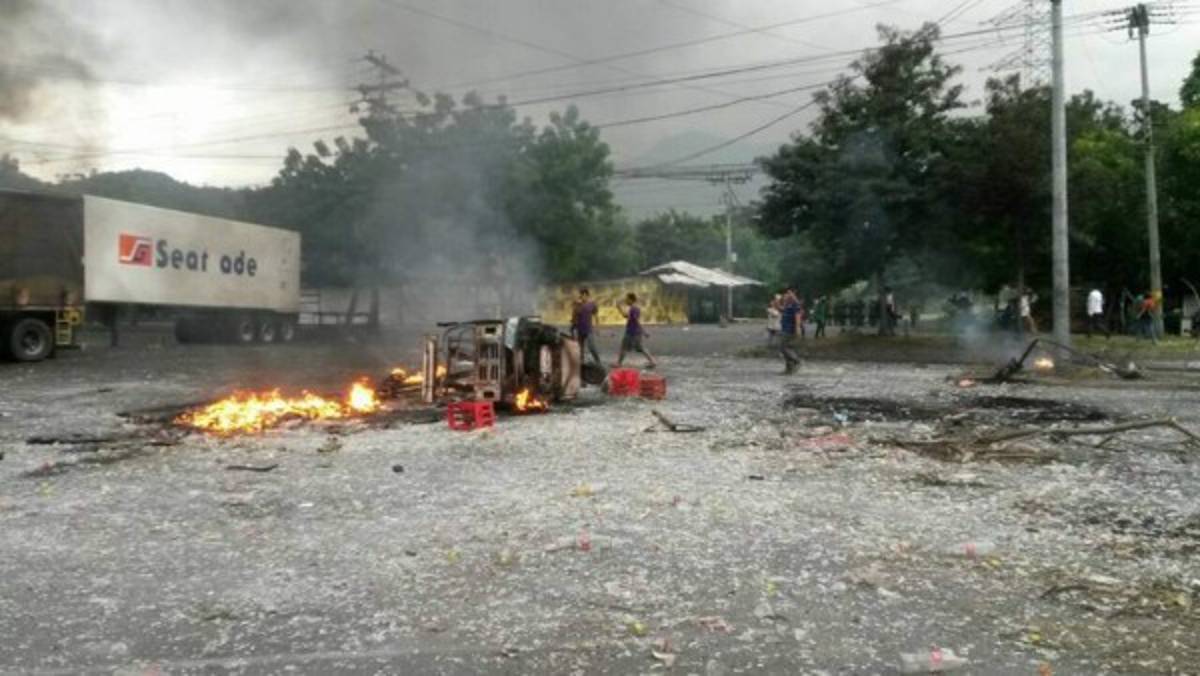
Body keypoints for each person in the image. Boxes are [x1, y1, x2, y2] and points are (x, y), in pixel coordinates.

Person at [617, 292, 657, 369]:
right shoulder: (634, 308)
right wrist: (619, 308)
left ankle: (619, 363)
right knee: (639, 348)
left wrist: (644, 331)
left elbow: (636, 320)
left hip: (632, 332)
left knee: (625, 347)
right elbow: (626, 316)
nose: (626, 301)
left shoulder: (634, 309)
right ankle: (652, 362)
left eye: (627, 299)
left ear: (631, 300)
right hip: (634, 331)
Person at [572, 287, 601, 366]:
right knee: (580, 348)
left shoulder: (592, 304)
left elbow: (596, 315)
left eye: (583, 295)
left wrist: (598, 327)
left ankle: (598, 361)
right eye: (580, 295)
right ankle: (581, 363)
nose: (581, 297)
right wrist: (573, 328)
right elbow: (574, 316)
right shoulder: (577, 304)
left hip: (588, 329)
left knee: (591, 346)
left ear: (587, 295)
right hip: (579, 329)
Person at [779, 288, 802, 374]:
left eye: (788, 293)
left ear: (793, 294)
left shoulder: (795, 304)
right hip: (785, 328)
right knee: (786, 348)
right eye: (786, 294)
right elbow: (782, 310)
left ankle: (797, 361)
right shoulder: (788, 304)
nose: (785, 295)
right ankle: (789, 368)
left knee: (783, 348)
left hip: (790, 329)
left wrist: (798, 328)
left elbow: (797, 316)